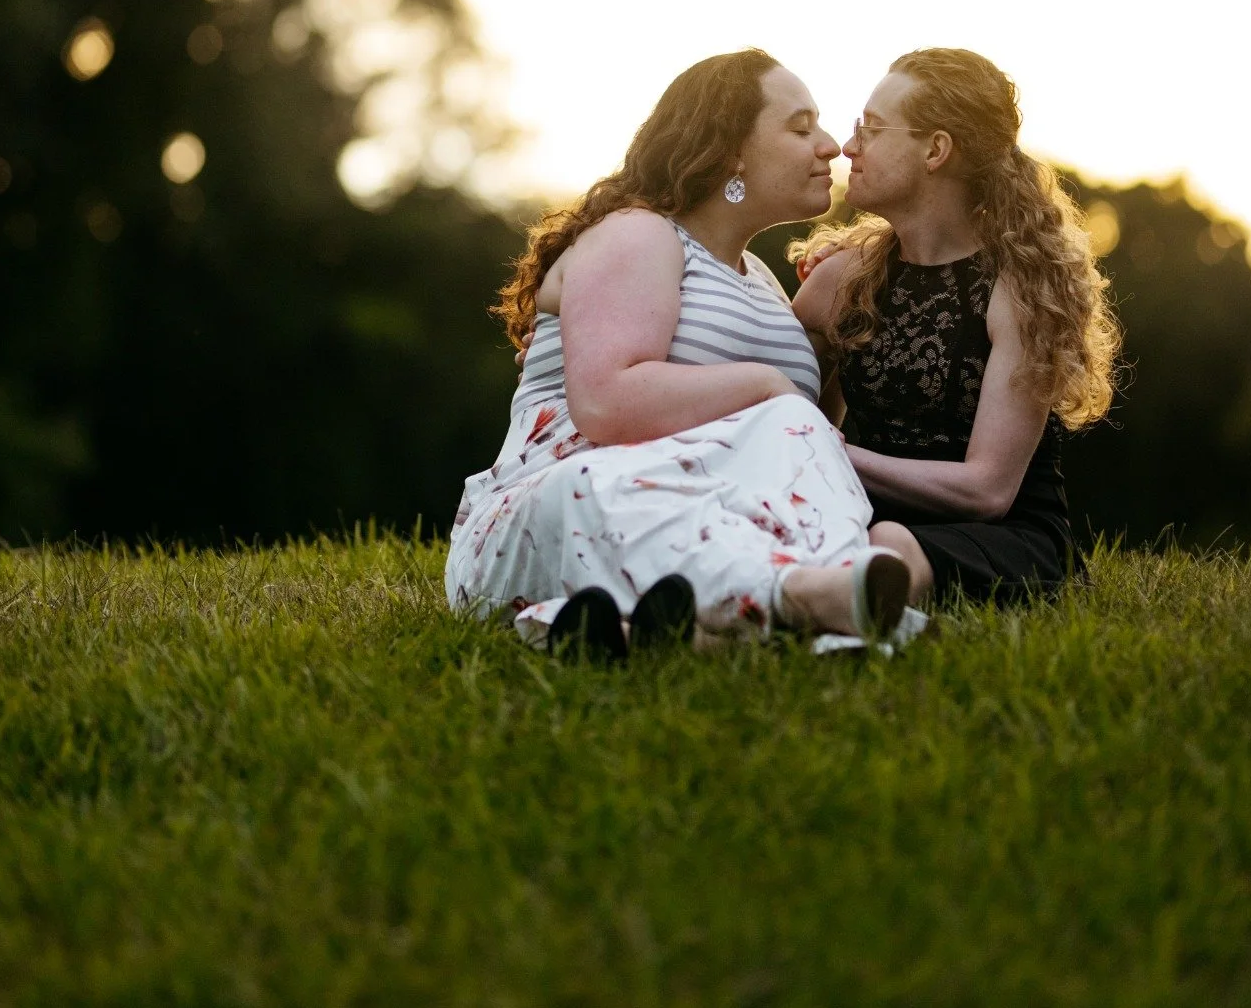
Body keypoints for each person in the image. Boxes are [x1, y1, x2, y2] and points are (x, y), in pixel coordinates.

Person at [445, 50, 914, 654]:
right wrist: (767, 385)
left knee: (785, 447)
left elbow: (798, 446)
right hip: (569, 503)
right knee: (610, 484)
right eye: (800, 128)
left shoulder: (763, 283)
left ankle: (698, 632)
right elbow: (606, 405)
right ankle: (801, 599)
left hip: (706, 504)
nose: (829, 146)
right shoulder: (638, 234)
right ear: (730, 152)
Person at [793, 48, 1120, 608]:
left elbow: (987, 491)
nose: (849, 148)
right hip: (861, 520)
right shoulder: (838, 282)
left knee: (887, 542)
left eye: (870, 129)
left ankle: (821, 605)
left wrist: (829, 452)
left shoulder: (1021, 289)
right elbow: (787, 410)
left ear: (935, 150)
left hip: (1003, 539)